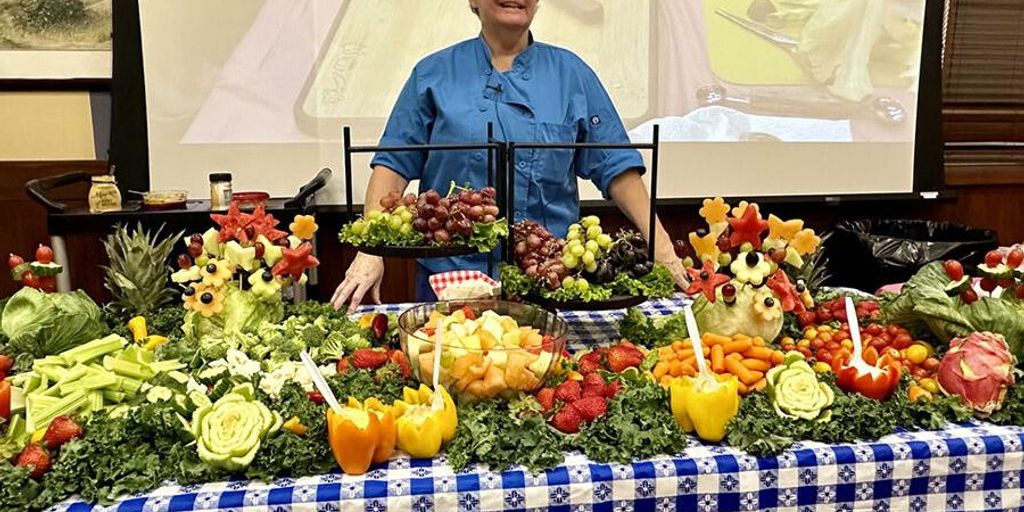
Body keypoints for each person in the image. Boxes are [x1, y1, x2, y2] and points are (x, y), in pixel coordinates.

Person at [332, 0, 686, 312]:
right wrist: (370, 251)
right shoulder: (432, 75)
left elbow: (616, 168)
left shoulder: (572, 74)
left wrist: (664, 250)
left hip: (548, 284)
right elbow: (392, 167)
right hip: (450, 285)